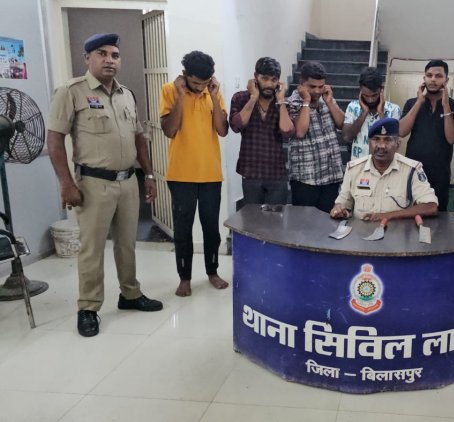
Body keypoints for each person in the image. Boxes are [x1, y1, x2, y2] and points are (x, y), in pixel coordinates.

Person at [47, 33, 163, 337]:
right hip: (93, 184)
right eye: (102, 54)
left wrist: (149, 175)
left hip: (128, 182)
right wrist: (66, 183)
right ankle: (88, 307)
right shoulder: (71, 92)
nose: (110, 60)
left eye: (115, 55)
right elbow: (55, 139)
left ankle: (130, 294)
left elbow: (139, 137)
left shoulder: (127, 94)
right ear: (87, 58)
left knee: (127, 244)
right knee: (92, 248)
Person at [160, 51, 229, 297]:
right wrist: (181, 96)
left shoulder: (213, 92)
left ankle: (212, 272)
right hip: (180, 174)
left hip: (211, 174)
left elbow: (222, 130)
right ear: (184, 75)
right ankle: (185, 278)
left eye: (205, 82)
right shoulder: (169, 90)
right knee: (183, 230)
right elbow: (170, 130)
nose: (200, 87)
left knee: (211, 228)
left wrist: (214, 96)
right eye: (196, 83)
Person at [331, 118, 438, 221]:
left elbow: (430, 206)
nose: (381, 145)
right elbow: (343, 203)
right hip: (361, 232)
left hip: (397, 232)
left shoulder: (411, 170)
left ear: (398, 144)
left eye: (388, 140)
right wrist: (339, 209)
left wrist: (387, 216)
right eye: (376, 139)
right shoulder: (354, 169)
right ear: (369, 143)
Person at [229, 57, 294, 207]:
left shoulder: (283, 103)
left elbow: (287, 132)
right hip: (250, 171)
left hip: (276, 173)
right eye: (265, 78)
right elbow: (236, 126)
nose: (269, 84)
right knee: (252, 219)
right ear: (255, 77)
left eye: (274, 80)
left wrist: (281, 101)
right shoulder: (240, 98)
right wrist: (253, 98)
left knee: (275, 220)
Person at [399, 60, 454, 212]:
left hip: (440, 174)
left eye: (438, 76)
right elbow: (401, 131)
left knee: (438, 216)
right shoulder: (411, 103)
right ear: (424, 78)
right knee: (410, 213)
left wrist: (446, 106)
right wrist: (419, 102)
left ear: (446, 80)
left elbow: (452, 138)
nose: (433, 79)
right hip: (413, 171)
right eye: (429, 75)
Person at [287, 61, 345, 212]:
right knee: (304, 224)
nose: (317, 91)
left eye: (321, 86)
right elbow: (300, 132)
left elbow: (341, 124)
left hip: (331, 176)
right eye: (312, 87)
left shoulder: (326, 99)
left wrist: (330, 102)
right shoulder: (292, 102)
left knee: (327, 223)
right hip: (305, 178)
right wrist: (306, 101)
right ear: (302, 83)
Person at [342, 67, 401, 161]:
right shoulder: (352, 107)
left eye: (374, 95)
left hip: (384, 164)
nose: (370, 100)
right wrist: (364, 113)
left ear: (381, 90)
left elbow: (394, 140)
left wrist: (381, 113)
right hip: (359, 164)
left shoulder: (394, 109)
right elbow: (347, 137)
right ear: (360, 91)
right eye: (366, 95)